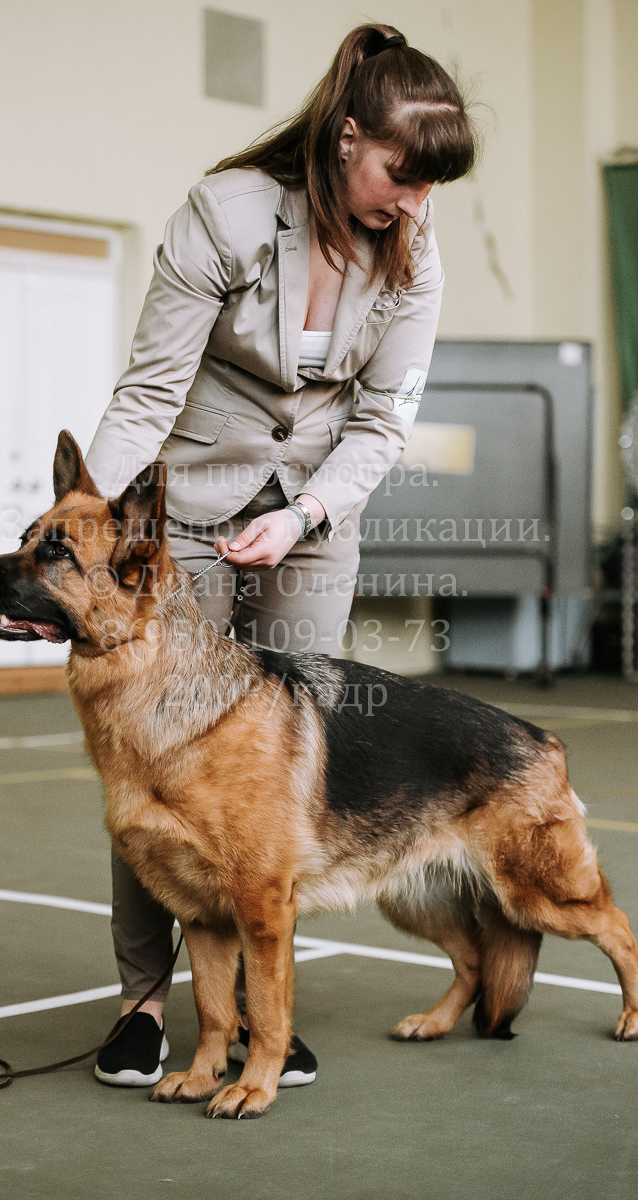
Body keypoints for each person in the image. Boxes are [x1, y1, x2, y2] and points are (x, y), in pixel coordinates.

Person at [83, 22, 477, 1089]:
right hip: (188, 510)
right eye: (402, 175)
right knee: (155, 765)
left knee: (274, 778)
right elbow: (150, 391)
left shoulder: (415, 251)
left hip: (312, 519)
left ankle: (266, 1016)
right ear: (348, 138)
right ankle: (141, 1003)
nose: (416, 205)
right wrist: (88, 517)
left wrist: (303, 516)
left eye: (432, 186)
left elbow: (383, 421)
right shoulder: (228, 213)